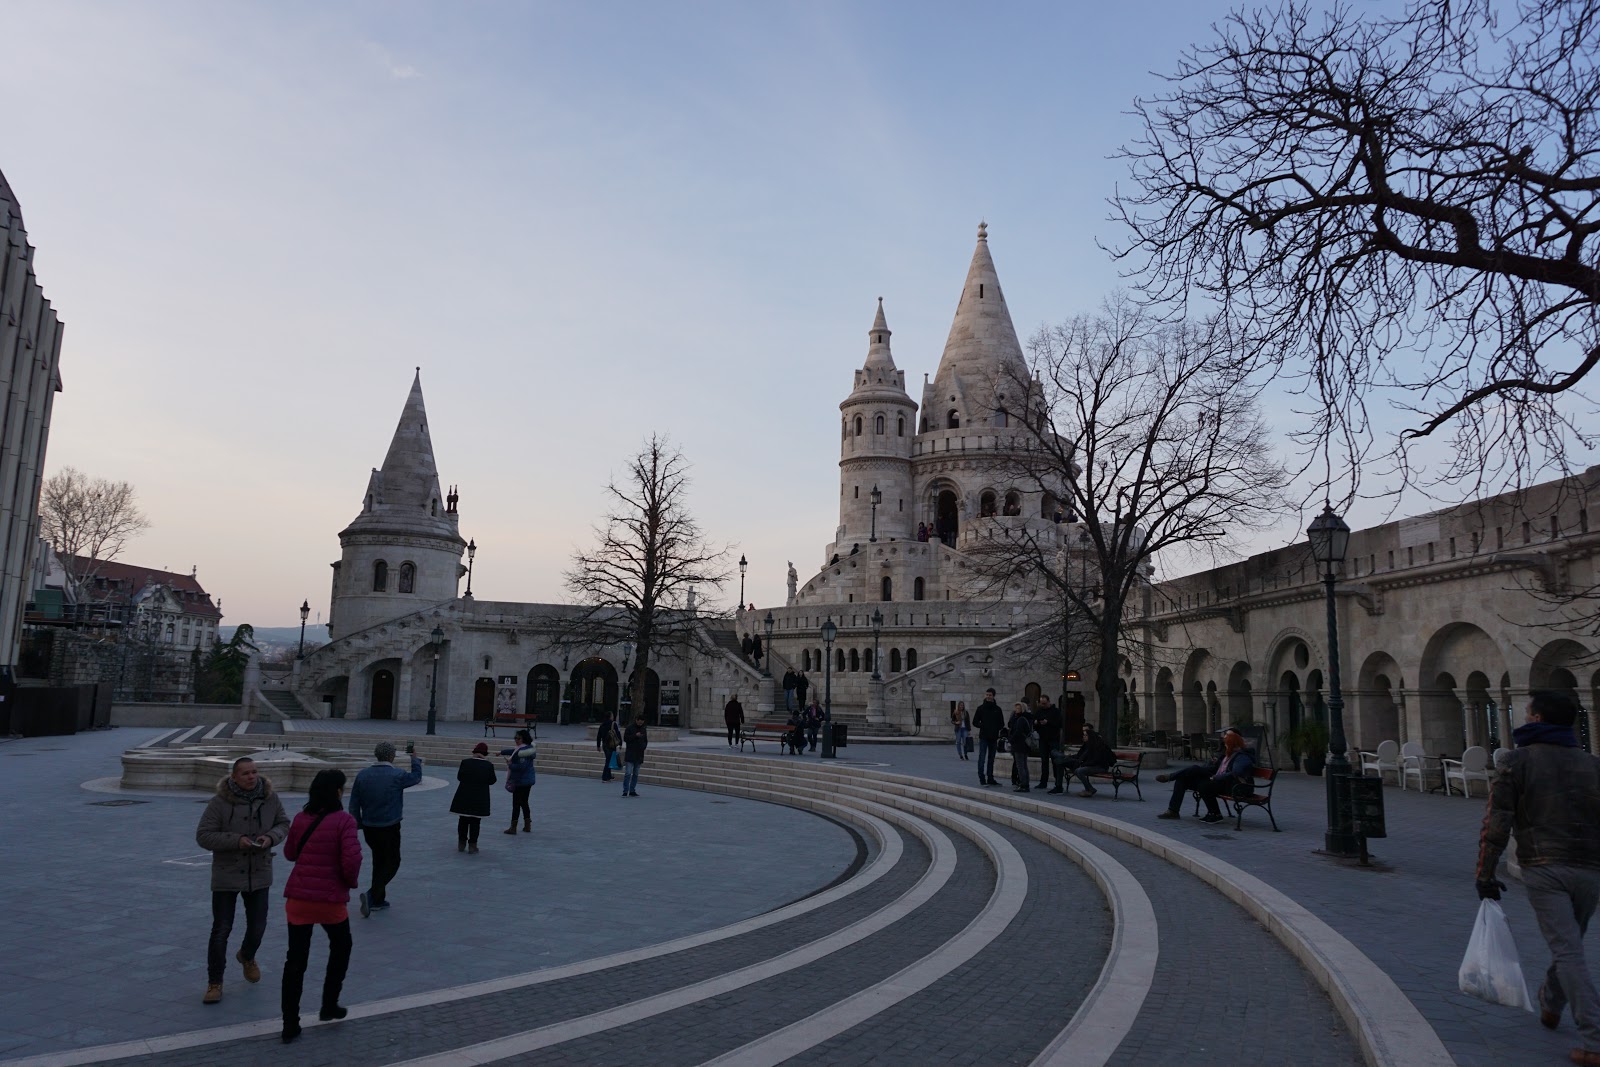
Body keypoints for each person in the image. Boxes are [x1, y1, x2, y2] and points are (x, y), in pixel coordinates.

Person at [1476, 690, 1600, 1064]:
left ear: (1539, 720)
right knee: (1570, 943)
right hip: (1590, 869)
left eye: (1528, 714)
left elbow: (1497, 822)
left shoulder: (1518, 761)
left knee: (1568, 949)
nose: (1525, 719)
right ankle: (1551, 1002)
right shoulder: (1592, 764)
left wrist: (1485, 871)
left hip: (1544, 866)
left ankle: (1594, 1039)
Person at [195, 756, 290, 1005]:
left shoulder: (270, 798)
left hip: (259, 871)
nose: (251, 777)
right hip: (227, 873)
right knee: (221, 930)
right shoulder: (219, 802)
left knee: (258, 926)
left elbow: (283, 824)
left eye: (254, 772)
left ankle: (247, 955)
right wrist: (235, 841)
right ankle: (215, 982)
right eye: (246, 773)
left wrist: (270, 837)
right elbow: (204, 836)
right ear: (234, 777)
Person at [280, 768, 361, 1044]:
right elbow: (351, 861)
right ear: (338, 791)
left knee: (295, 961)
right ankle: (329, 1003)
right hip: (329, 900)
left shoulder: (302, 818)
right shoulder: (344, 821)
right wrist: (349, 882)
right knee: (341, 947)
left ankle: (290, 1023)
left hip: (299, 900)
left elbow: (290, 853)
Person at [347, 741, 423, 918]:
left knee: (378, 860)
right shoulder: (397, 774)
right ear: (391, 756)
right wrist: (415, 759)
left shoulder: (363, 775)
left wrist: (357, 823)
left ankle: (378, 900)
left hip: (369, 826)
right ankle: (372, 894)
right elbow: (416, 778)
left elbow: (354, 803)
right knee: (393, 861)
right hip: (390, 825)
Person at [1155, 728, 1255, 821]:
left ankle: (1215, 814)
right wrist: (1212, 763)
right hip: (1219, 780)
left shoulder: (1242, 756)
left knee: (1203, 784)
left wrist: (1215, 777)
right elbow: (1214, 768)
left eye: (1227, 739)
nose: (1224, 741)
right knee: (1182, 779)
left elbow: (1235, 773)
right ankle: (1173, 811)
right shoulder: (1226, 754)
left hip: (1233, 785)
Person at [449, 742, 496, 853]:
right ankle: (472, 845)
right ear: (485, 753)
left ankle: (461, 843)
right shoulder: (488, 765)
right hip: (480, 798)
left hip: (464, 796)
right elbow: (492, 781)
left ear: (474, 752)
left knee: (463, 820)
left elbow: (459, 777)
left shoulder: (465, 762)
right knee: (475, 822)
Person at [499, 729, 537, 835]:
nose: (516, 740)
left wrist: (510, 765)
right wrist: (501, 752)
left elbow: (521, 767)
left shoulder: (524, 752)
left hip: (521, 781)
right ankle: (527, 825)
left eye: (518, 738)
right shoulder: (525, 749)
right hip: (527, 780)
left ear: (523, 739)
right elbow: (513, 751)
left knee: (516, 804)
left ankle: (513, 827)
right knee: (524, 802)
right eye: (515, 738)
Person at [1063, 724, 1117, 797]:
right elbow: (1082, 756)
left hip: (1100, 767)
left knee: (1079, 770)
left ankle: (1089, 789)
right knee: (1074, 767)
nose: (1083, 737)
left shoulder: (1099, 745)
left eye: (1085, 735)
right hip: (1093, 766)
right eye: (1083, 735)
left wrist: (1083, 764)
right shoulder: (1089, 744)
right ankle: (1089, 789)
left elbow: (1096, 760)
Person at [972, 689, 1005, 786]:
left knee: (991, 758)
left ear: (993, 696)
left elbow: (1001, 723)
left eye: (990, 695)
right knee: (982, 757)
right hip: (984, 736)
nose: (988, 696)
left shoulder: (998, 709)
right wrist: (983, 725)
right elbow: (975, 722)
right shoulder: (980, 708)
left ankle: (990, 778)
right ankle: (982, 778)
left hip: (994, 737)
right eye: (987, 694)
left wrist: (995, 728)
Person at [1033, 696, 1064, 792]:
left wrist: (1048, 722)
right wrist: (1038, 723)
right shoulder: (1039, 711)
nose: (1043, 705)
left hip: (1053, 739)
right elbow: (1035, 723)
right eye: (1041, 703)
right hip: (1043, 739)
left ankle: (1058, 783)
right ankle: (1043, 782)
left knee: (1056, 761)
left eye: (1044, 703)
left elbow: (1060, 724)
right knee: (1044, 761)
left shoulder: (1056, 711)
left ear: (1049, 702)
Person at [1008, 702, 1036, 792]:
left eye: (1018, 708)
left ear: (1023, 709)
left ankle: (1024, 784)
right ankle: (1025, 784)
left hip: (1019, 745)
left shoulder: (1021, 719)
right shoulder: (1025, 718)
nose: (1016, 710)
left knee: (1020, 766)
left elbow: (1018, 732)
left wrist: (1011, 740)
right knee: (1024, 765)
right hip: (1024, 745)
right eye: (1015, 708)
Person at [621, 714, 648, 797]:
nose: (640, 724)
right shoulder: (630, 728)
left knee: (636, 773)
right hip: (630, 753)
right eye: (639, 722)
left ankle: (632, 790)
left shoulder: (643, 729)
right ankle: (625, 790)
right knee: (628, 773)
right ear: (636, 720)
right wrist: (635, 736)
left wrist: (643, 747)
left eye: (641, 723)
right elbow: (626, 739)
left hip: (639, 754)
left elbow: (645, 741)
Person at [598, 711, 622, 780]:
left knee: (608, 759)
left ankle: (608, 775)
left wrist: (598, 745)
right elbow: (618, 734)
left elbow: (599, 735)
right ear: (610, 716)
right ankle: (604, 777)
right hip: (612, 745)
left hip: (605, 745)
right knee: (608, 761)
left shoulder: (602, 725)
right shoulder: (613, 724)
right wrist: (620, 743)